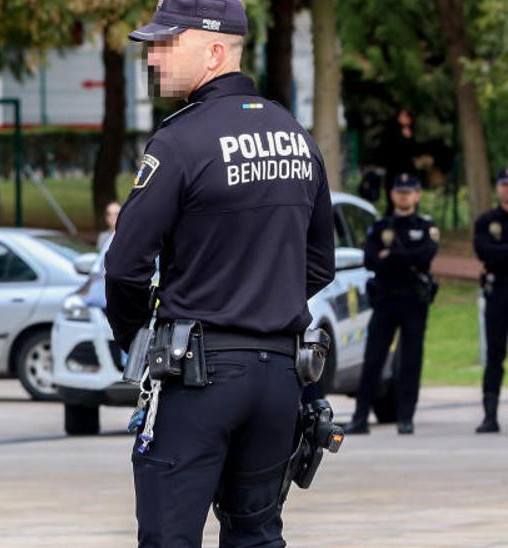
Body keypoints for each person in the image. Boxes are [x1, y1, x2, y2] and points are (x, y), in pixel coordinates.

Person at [108, 0, 335, 545]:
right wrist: (262, 302)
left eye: (167, 43)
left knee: (170, 535)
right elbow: (320, 262)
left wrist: (137, 339)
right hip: (281, 375)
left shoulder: (180, 141)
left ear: (215, 50)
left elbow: (125, 266)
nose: (154, 57)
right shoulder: (296, 136)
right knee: (256, 534)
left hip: (198, 373)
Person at [344, 173, 438, 435]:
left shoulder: (425, 226)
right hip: (385, 300)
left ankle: (405, 418)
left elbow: (425, 257)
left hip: (413, 302)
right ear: (392, 194)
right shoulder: (381, 226)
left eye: (409, 191)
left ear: (417, 195)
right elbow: (370, 260)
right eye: (400, 191)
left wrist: (392, 255)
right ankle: (360, 416)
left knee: (410, 360)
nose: (404, 195)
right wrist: (405, 257)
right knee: (373, 359)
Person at [471, 167, 508, 433]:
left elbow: (494, 252)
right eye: (504, 184)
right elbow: (483, 250)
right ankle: (490, 415)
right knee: (495, 354)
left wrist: (499, 252)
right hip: (498, 291)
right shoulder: (486, 221)